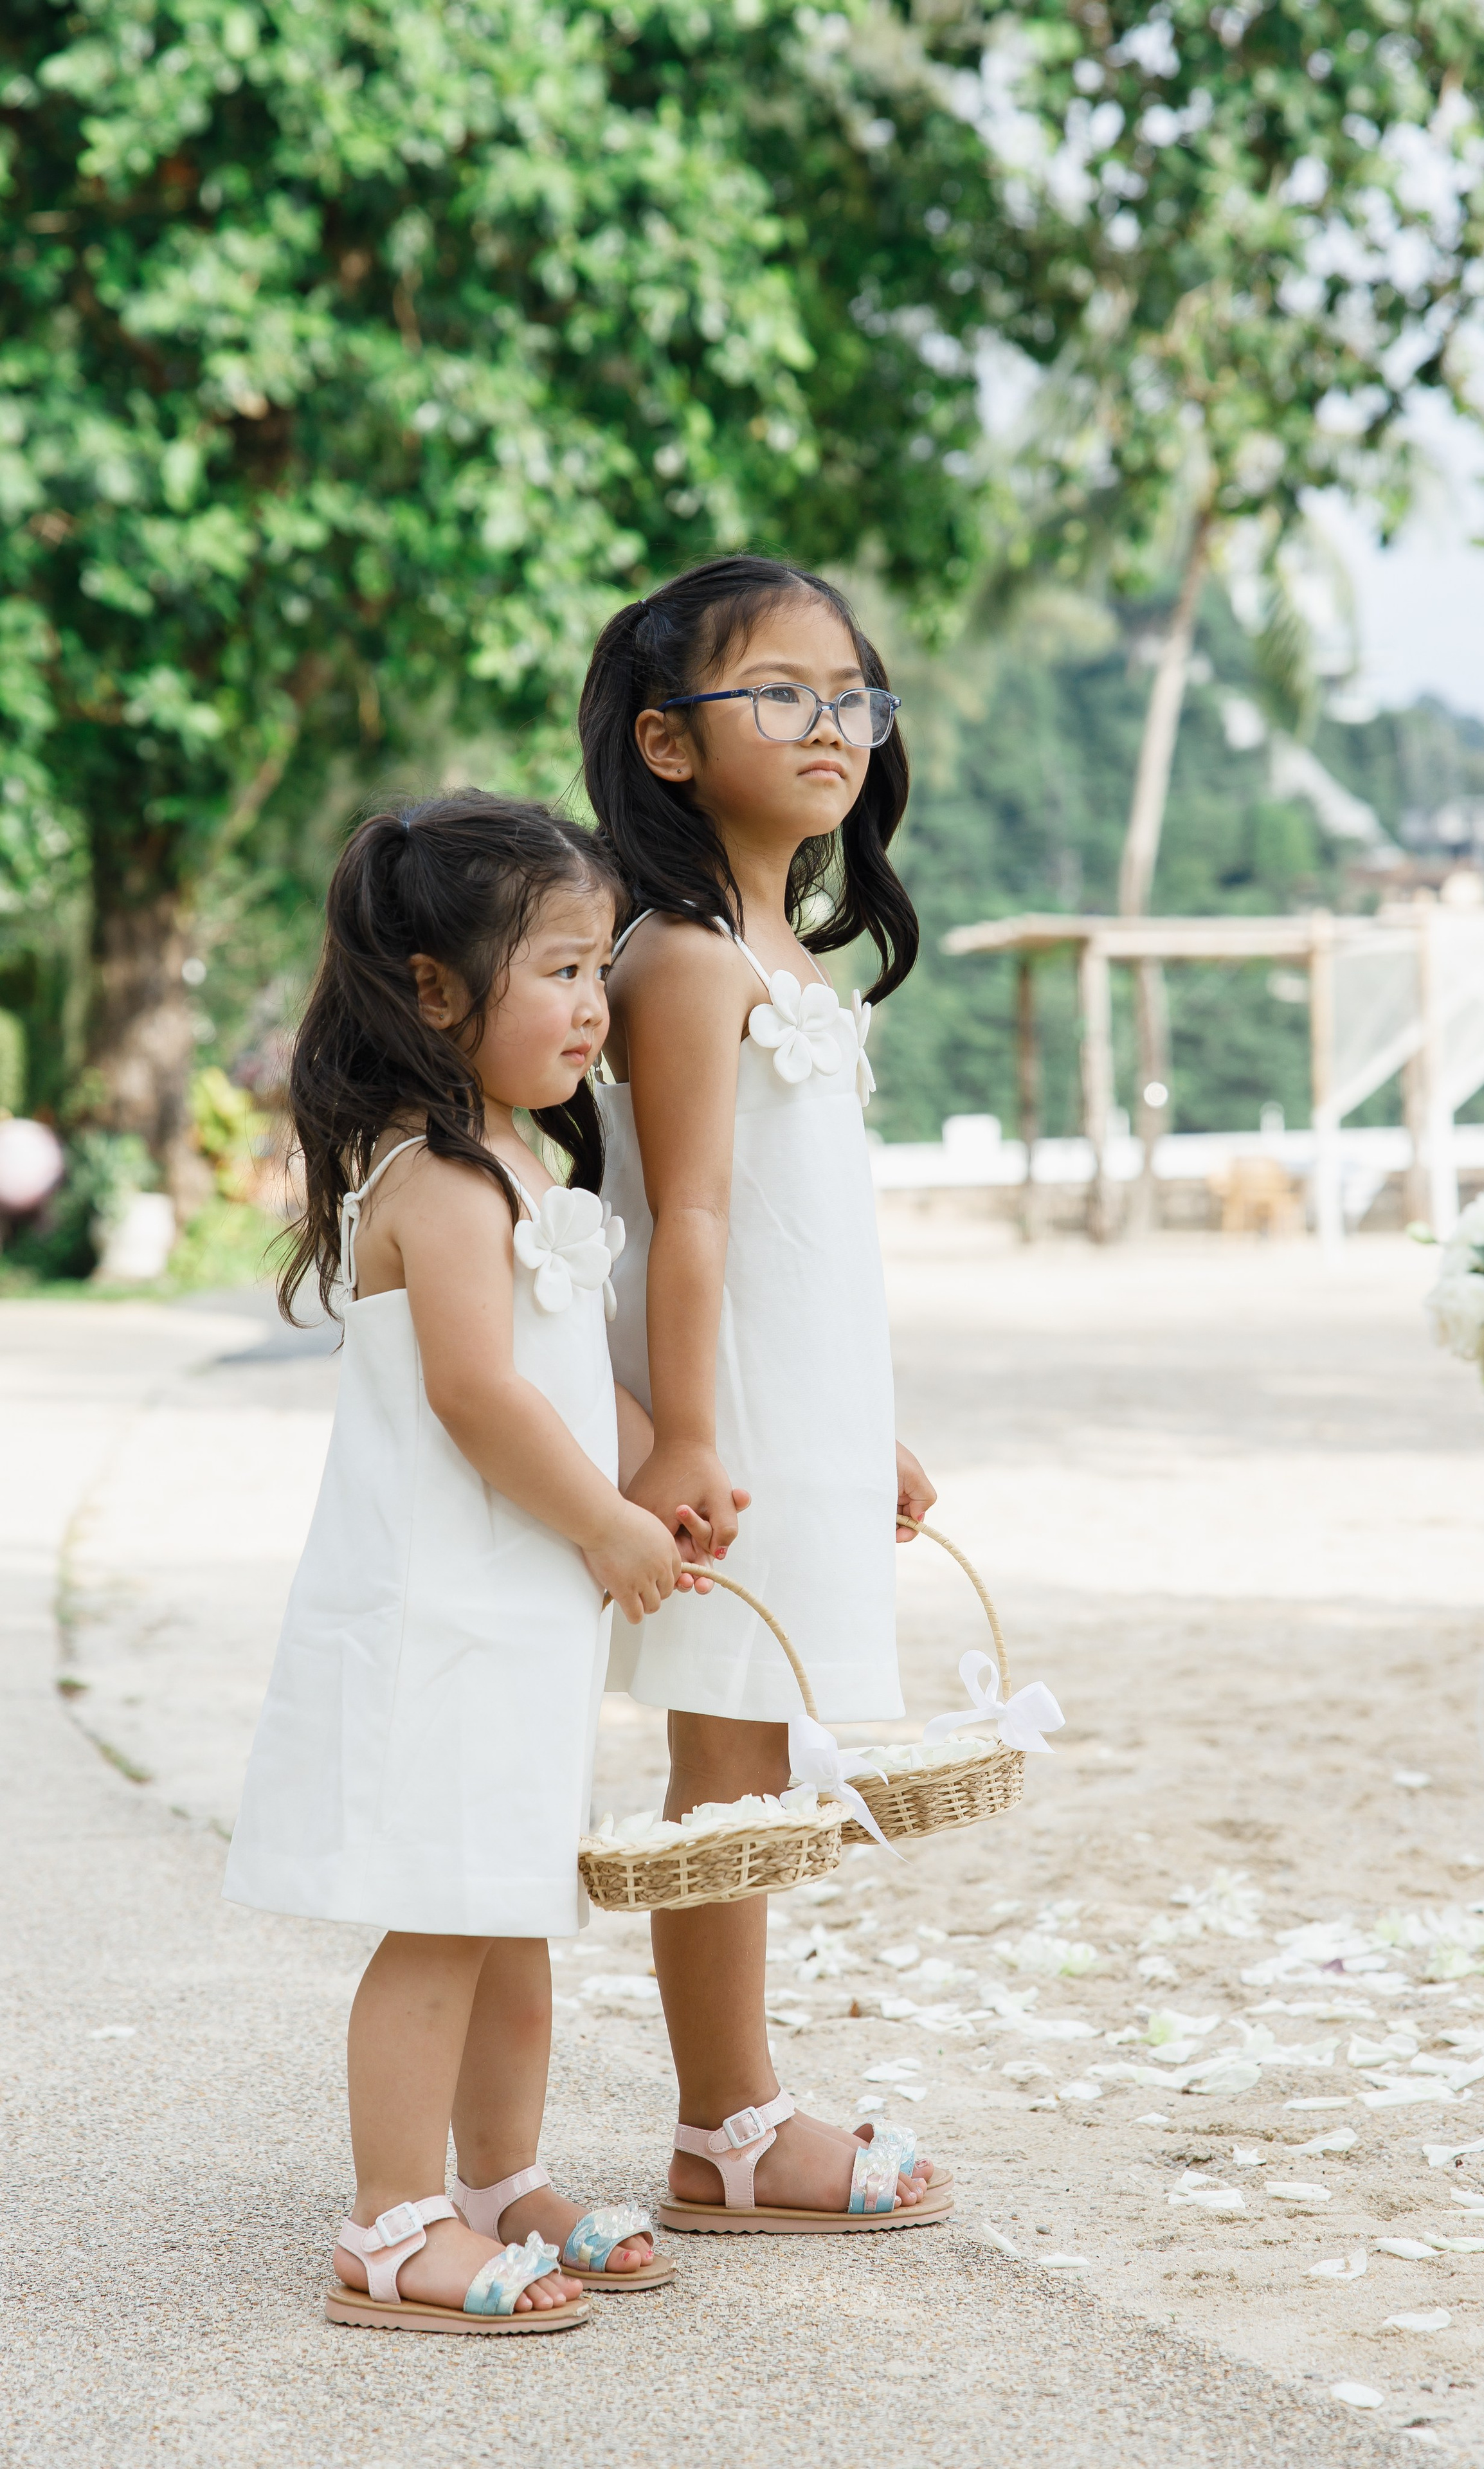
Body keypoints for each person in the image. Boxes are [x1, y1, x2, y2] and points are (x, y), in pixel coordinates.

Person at [224, 792, 696, 2330]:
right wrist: (606, 1523)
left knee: (510, 1903)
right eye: (558, 969)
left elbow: (560, 1378)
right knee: (438, 1912)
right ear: (435, 992)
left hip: (517, 1613)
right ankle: (389, 2218)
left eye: (596, 968)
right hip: (440, 1612)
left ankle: (498, 2179)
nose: (592, 1001)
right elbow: (479, 1397)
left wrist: (654, 1475)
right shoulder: (432, 1175)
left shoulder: (525, 1167)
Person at [581, 556, 953, 2231]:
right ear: (668, 743)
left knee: (758, 1755)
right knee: (722, 1769)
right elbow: (688, 1218)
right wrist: (684, 1433)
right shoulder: (678, 961)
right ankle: (728, 2124)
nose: (832, 724)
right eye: (782, 693)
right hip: (713, 1431)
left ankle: (735, 2109)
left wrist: (851, 1423)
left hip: (780, 1420)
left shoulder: (782, 955)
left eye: (851, 694)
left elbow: (803, 1248)